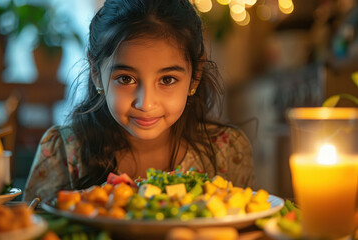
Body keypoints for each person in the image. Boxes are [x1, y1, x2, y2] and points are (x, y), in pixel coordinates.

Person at [23, 0, 254, 202]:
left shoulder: (225, 151)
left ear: (195, 75)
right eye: (126, 79)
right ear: (96, 73)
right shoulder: (64, 152)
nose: (145, 103)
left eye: (167, 79)